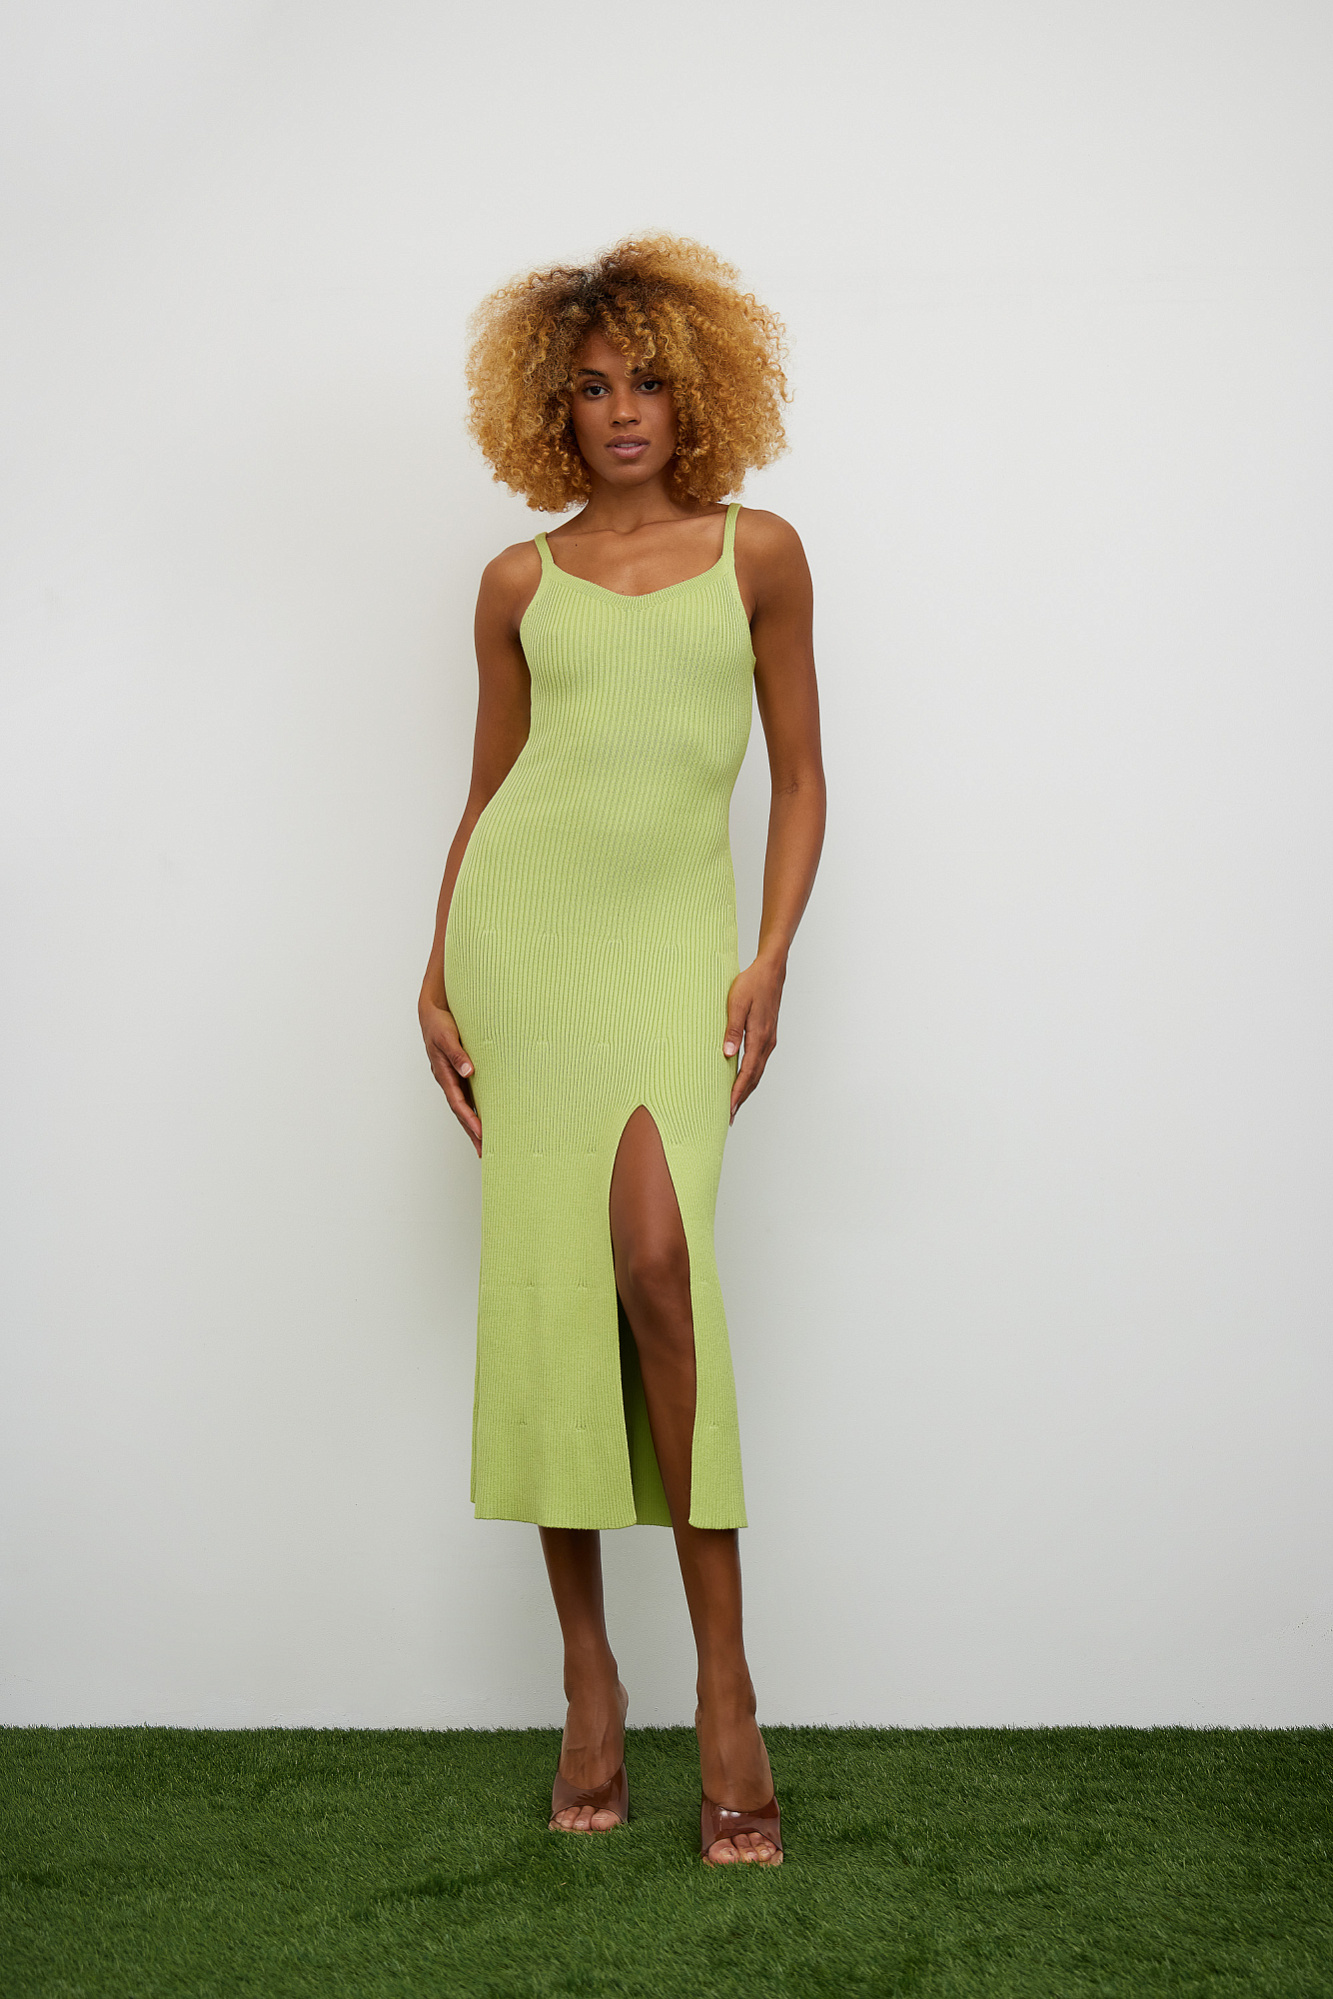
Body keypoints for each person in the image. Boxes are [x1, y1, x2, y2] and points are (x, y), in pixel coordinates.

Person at [418, 236, 825, 1867]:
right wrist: (433, 973)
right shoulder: (517, 585)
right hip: (524, 954)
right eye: (589, 388)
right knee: (551, 1298)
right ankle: (589, 1675)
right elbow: (486, 795)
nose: (622, 411)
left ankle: (726, 1680)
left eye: (648, 380)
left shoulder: (761, 555)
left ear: (696, 389)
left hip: (672, 957)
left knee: (658, 1269)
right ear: (552, 411)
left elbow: (799, 777)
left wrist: (769, 958)